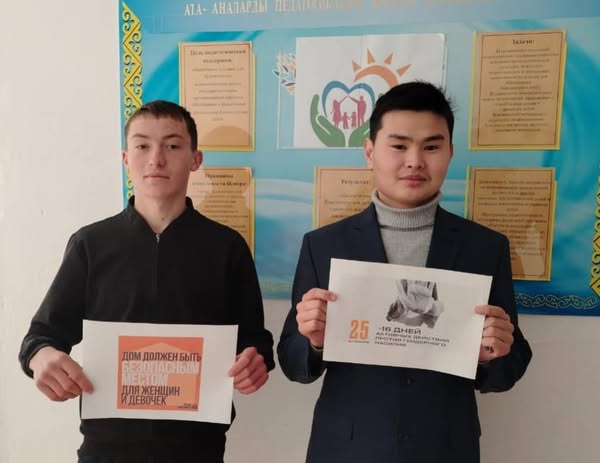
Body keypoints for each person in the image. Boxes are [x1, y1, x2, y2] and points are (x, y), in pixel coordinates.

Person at [278, 81, 532, 463]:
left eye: (431, 147)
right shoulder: (324, 245)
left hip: (444, 448)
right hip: (346, 449)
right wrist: (313, 341)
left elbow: (507, 370)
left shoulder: (485, 248)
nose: (414, 161)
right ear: (370, 152)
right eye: (398, 146)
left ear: (450, 153)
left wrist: (492, 354)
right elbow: (293, 363)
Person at [18, 100, 274, 463]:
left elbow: (255, 340)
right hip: (106, 451)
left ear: (195, 159)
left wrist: (255, 361)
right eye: (142, 145)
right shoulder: (90, 245)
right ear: (126, 158)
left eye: (173, 145)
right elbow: (41, 336)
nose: (156, 159)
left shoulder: (227, 247)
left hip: (198, 450)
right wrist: (42, 357)